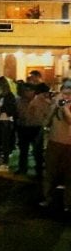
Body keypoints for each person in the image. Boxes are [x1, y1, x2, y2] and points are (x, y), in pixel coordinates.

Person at [39, 81, 71, 212]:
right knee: (50, 173)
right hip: (54, 141)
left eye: (69, 94)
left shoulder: (66, 105)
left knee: (69, 175)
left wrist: (64, 107)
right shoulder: (56, 103)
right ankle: (48, 198)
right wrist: (54, 106)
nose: (66, 96)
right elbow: (46, 122)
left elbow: (70, 121)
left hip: (69, 144)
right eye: (64, 93)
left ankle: (67, 203)